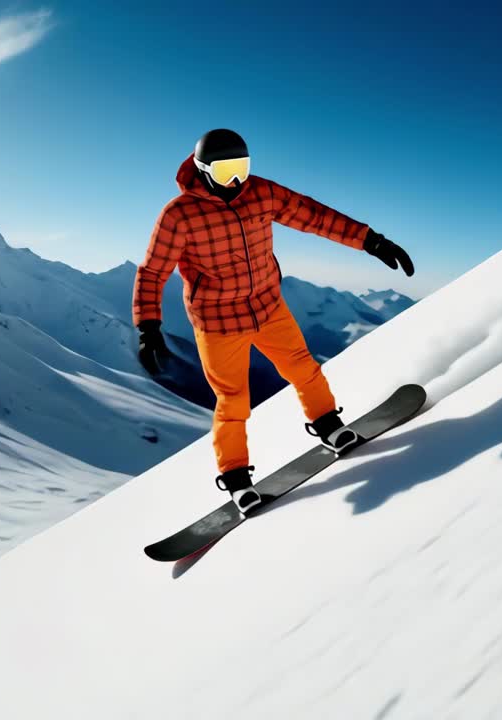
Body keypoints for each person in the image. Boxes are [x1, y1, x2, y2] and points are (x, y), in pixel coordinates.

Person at [132, 128, 414, 513]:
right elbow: (152, 271)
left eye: (242, 168)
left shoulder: (260, 193)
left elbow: (313, 215)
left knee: (304, 368)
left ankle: (330, 426)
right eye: (225, 170)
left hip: (267, 305)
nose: (236, 180)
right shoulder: (179, 215)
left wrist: (370, 240)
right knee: (233, 400)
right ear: (202, 169)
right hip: (217, 321)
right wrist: (148, 326)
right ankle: (236, 480)